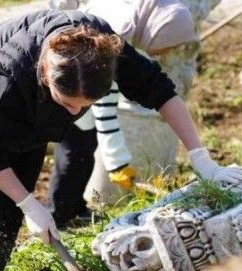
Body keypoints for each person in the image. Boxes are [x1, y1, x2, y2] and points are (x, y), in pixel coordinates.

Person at [0, 9, 242, 271]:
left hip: (30, 120)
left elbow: (162, 92)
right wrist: (30, 204)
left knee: (10, 214)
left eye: (85, 105)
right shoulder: (7, 78)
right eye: (68, 102)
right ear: (45, 73)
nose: (76, 111)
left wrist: (200, 157)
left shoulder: (104, 49)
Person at [47, 0, 201, 227]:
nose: (161, 54)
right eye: (163, 48)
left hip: (81, 94)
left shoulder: (131, 26)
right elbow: (104, 108)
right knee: (73, 156)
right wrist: (117, 163)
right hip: (68, 91)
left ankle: (75, 208)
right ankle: (57, 214)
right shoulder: (111, 37)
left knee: (85, 151)